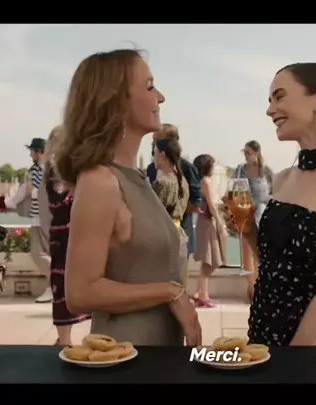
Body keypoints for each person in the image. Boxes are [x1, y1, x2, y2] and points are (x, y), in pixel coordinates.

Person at [56, 49, 201, 346]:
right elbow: (80, 293)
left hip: (155, 358)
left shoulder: (135, 178)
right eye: (149, 87)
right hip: (126, 360)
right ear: (116, 101)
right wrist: (170, 292)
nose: (160, 97)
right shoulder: (100, 181)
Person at [231, 62, 316, 346]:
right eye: (270, 100)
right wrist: (249, 230)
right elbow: (272, 264)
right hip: (263, 327)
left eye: (279, 97)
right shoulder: (283, 178)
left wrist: (293, 360)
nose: (270, 110)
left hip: (311, 341)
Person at [43, 125, 91, 346]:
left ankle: (64, 338)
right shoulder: (59, 170)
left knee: (65, 283)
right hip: (67, 233)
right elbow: (65, 202)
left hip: (63, 232)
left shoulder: (54, 169)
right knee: (64, 284)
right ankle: (64, 340)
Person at [146, 124, 201, 259]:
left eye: (156, 140)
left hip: (173, 233)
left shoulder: (186, 170)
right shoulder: (151, 169)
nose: (152, 144)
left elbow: (195, 203)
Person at [233, 140, 274, 302]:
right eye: (244, 152)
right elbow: (235, 191)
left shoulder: (266, 171)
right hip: (245, 214)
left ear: (257, 153)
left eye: (248, 152)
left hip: (263, 215)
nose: (246, 155)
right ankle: (252, 289)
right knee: (247, 255)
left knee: (260, 254)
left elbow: (273, 192)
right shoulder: (240, 170)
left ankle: (260, 288)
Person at [151, 137, 190, 290]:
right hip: (179, 236)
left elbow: (153, 213)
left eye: (154, 153)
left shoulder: (163, 183)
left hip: (163, 239)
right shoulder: (182, 181)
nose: (153, 157)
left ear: (162, 155)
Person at [192, 154, 227, 308]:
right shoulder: (206, 182)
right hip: (208, 223)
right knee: (209, 261)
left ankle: (199, 293)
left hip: (206, 222)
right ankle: (203, 295)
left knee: (209, 261)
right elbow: (211, 205)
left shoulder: (204, 181)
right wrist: (220, 223)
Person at [23, 138, 53, 304]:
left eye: (32, 151)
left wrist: (29, 191)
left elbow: (38, 192)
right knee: (46, 253)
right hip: (44, 215)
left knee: (37, 253)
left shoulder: (42, 170)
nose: (30, 154)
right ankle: (54, 286)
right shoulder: (44, 168)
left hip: (41, 216)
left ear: (39, 152)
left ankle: (58, 280)